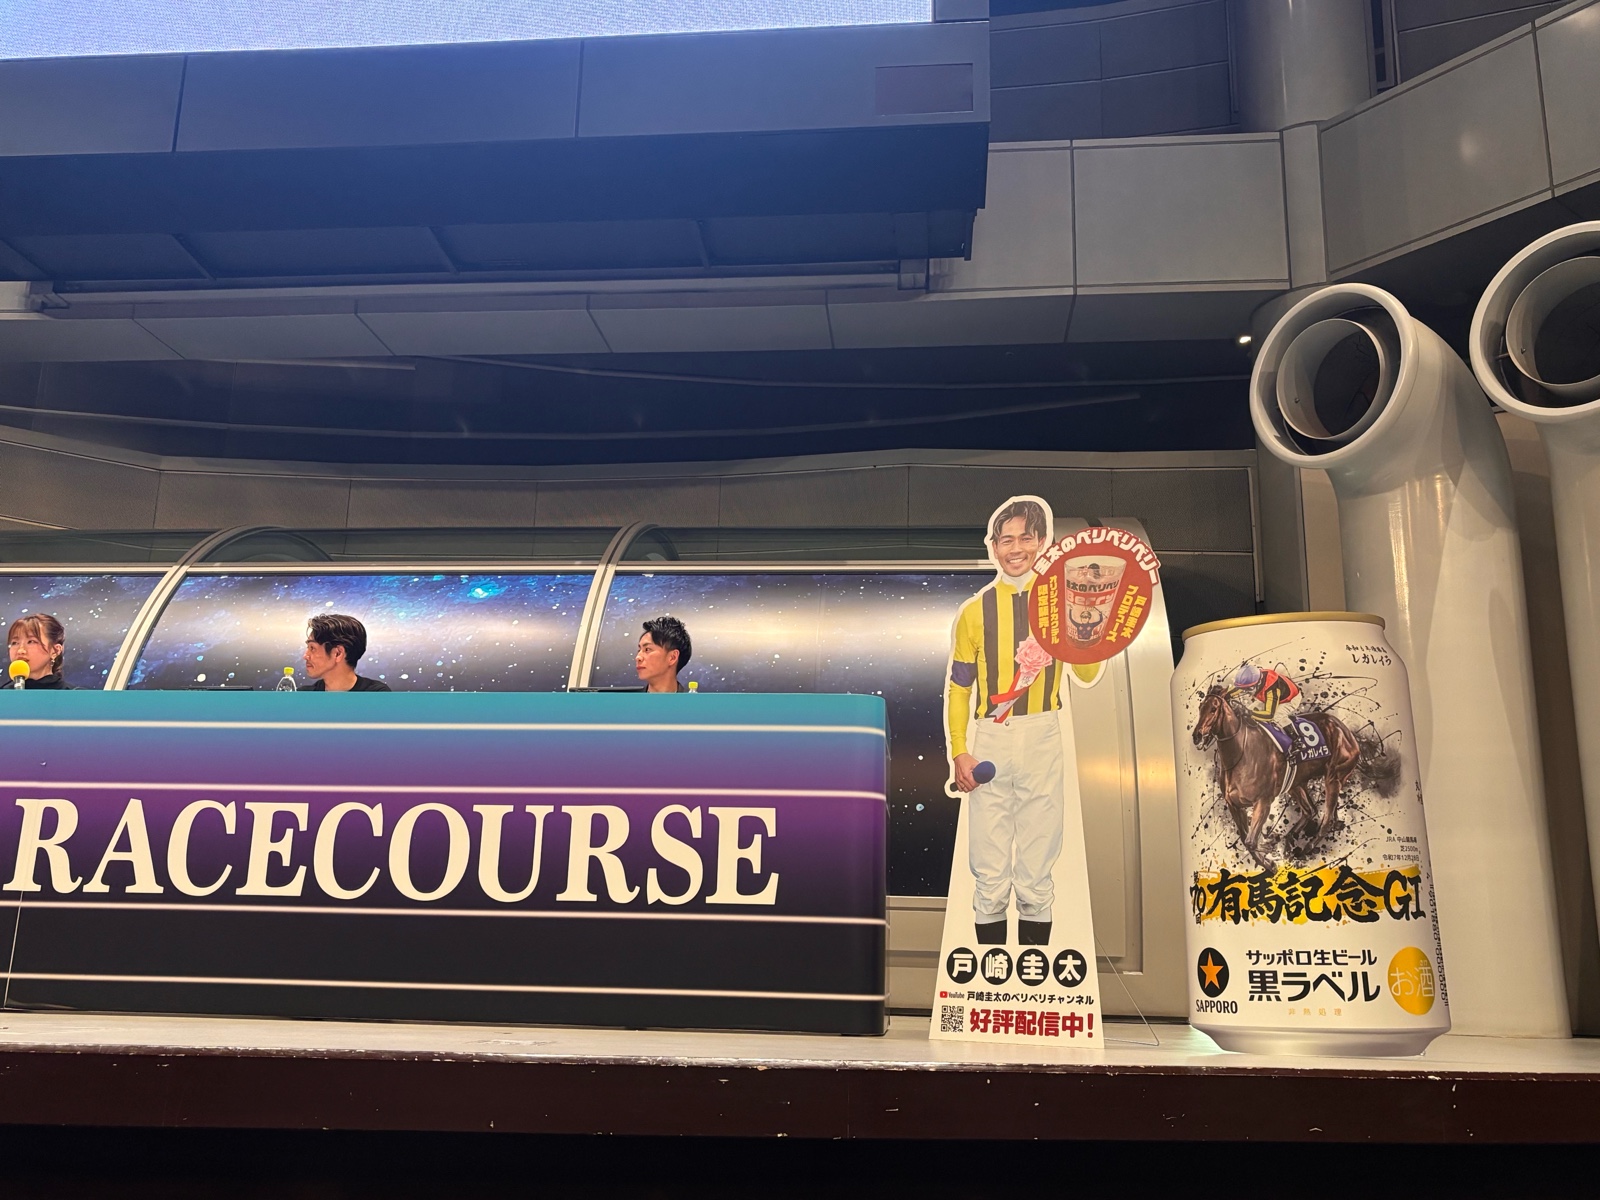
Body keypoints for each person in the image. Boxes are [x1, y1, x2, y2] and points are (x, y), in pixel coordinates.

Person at [945, 497, 1063, 947]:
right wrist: (959, 750)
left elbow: (1089, 667)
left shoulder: (1061, 603)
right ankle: (989, 969)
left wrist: (1095, 633)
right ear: (993, 546)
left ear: (1041, 542)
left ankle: (1035, 968)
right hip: (991, 734)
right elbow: (959, 687)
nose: (1015, 549)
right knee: (989, 857)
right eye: (1006, 539)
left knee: (1039, 851)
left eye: (1025, 538)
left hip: (1042, 731)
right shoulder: (974, 611)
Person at [302, 613, 391, 692]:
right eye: (308, 647)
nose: (305, 656)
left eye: (312, 648)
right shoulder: (303, 696)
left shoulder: (377, 695)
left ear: (338, 653)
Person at [6, 614, 75, 689]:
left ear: (55, 651)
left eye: (31, 641)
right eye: (15, 643)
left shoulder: (75, 694)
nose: (20, 651)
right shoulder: (4, 693)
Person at [635, 616, 692, 693]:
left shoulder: (693, 700)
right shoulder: (628, 700)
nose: (638, 657)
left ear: (672, 657)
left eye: (647, 649)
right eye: (639, 650)